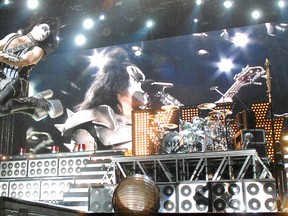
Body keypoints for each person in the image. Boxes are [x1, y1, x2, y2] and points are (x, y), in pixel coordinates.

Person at [55, 47, 147, 152]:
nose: (144, 86)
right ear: (118, 85)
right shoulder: (91, 122)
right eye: (138, 80)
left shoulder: (151, 122)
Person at [0, 17, 63, 121]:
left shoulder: (38, 50)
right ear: (36, 25)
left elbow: (22, 62)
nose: (45, 33)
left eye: (47, 33)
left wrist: (3, 57)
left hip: (16, 81)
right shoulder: (12, 36)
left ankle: (34, 102)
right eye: (44, 28)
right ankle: (31, 109)